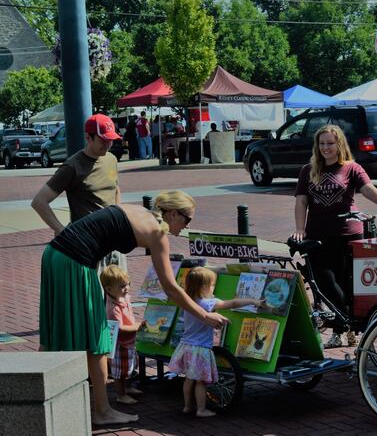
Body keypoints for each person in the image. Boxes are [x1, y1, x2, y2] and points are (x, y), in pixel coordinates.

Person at [38, 190, 229, 425]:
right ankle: (102, 411)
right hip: (74, 262)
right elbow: (170, 287)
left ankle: (34, 397)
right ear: (171, 213)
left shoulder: (140, 212)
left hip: (54, 255)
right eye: (186, 219)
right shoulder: (158, 232)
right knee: (97, 339)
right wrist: (204, 315)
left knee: (51, 331)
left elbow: (98, 232)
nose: (186, 226)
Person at [291, 124, 377, 348]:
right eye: (322, 143)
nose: (325, 148)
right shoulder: (308, 170)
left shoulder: (351, 168)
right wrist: (300, 229)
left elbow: (367, 188)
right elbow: (301, 201)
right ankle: (344, 326)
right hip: (318, 236)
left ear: (339, 144)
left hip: (348, 235)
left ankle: (346, 330)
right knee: (325, 284)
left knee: (348, 283)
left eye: (330, 143)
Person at [31, 114, 126, 271]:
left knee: (120, 293)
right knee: (93, 294)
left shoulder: (111, 159)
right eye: (103, 140)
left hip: (113, 242)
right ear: (88, 137)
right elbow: (39, 202)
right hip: (89, 246)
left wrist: (120, 219)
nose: (108, 144)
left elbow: (115, 188)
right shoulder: (72, 166)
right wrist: (63, 233)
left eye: (111, 139)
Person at [168, 267, 262, 418]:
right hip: (200, 349)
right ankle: (201, 409)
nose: (214, 287)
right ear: (204, 287)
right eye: (212, 285)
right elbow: (233, 303)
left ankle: (187, 406)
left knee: (189, 379)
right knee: (201, 382)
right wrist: (253, 301)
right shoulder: (208, 303)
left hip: (185, 347)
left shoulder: (187, 302)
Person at [101, 265, 145, 405]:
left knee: (129, 367)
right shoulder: (113, 308)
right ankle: (121, 394)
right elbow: (119, 328)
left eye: (128, 284)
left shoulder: (123, 298)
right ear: (109, 289)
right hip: (120, 344)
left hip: (128, 341)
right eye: (122, 286)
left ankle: (128, 387)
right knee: (119, 372)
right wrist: (136, 326)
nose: (126, 288)